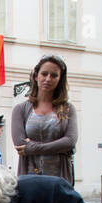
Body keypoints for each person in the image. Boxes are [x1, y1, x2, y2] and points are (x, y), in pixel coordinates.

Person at [11, 55, 79, 184]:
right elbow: (20, 143)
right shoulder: (20, 110)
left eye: (54, 75)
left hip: (60, 180)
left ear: (60, 79)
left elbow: (70, 141)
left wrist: (31, 148)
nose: (48, 79)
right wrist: (58, 146)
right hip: (30, 179)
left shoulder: (68, 109)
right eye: (44, 74)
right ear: (36, 76)